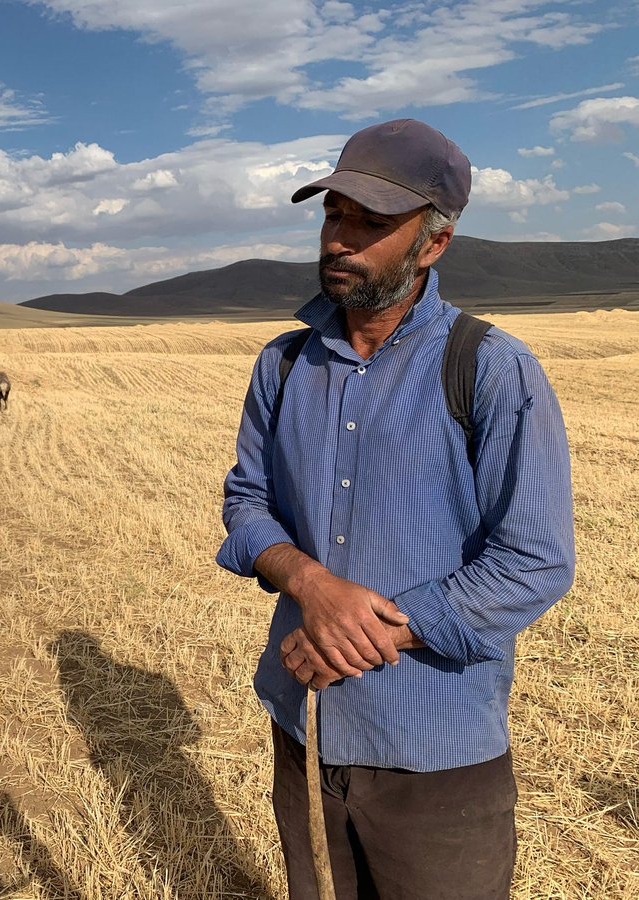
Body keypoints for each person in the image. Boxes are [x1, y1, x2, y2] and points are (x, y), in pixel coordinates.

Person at [215, 119, 574, 899]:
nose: (340, 239)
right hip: (304, 729)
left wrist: (368, 629)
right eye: (333, 213)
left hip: (436, 753)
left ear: (433, 244)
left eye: (371, 224)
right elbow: (246, 505)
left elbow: (535, 560)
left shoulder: (490, 369)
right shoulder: (282, 365)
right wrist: (310, 585)